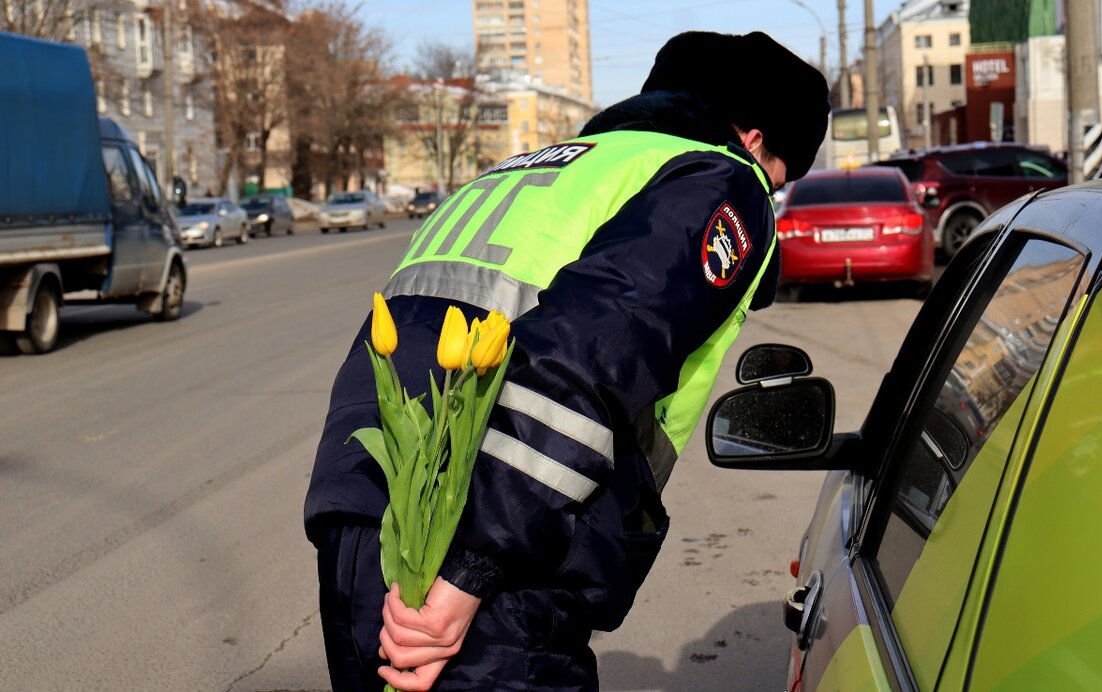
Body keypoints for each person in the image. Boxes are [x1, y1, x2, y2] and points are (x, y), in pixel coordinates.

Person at [305, 30, 829, 691]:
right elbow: (582, 365)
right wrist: (467, 573)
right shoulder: (714, 176)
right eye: (781, 176)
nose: (771, 194)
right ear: (754, 140)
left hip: (360, 532)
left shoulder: (537, 167)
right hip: (483, 557)